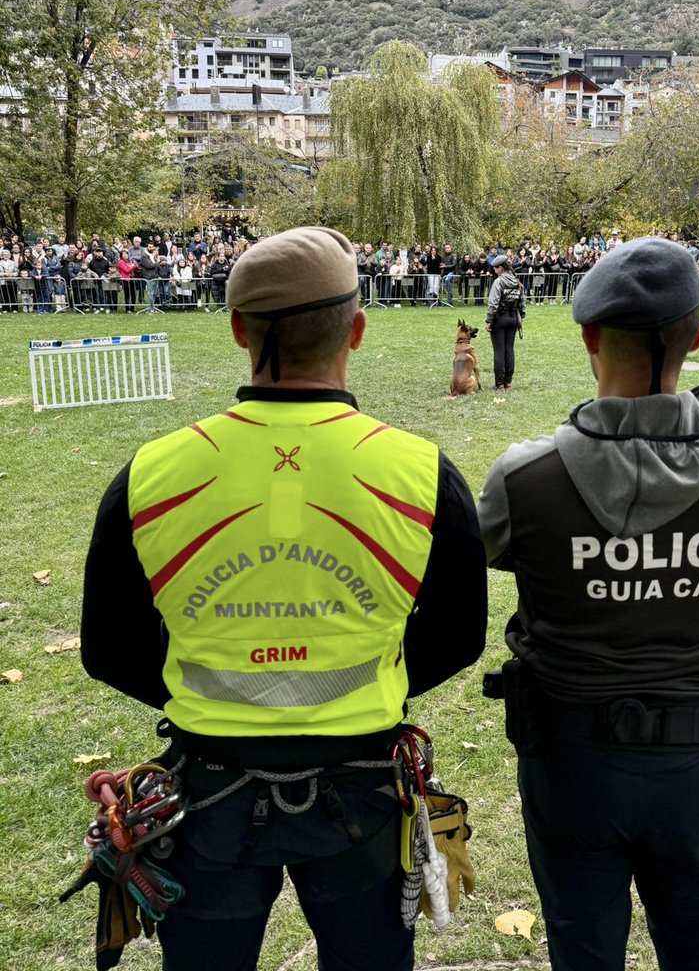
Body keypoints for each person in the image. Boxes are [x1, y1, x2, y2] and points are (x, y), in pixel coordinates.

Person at [80, 225, 487, 971]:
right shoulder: (423, 473)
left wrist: (213, 689)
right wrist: (367, 681)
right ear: (357, 330)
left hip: (203, 802)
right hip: (364, 800)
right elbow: (460, 635)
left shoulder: (148, 474)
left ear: (238, 329)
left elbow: (107, 649)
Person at [477, 237, 699, 971]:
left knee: (583, 950)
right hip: (697, 764)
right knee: (698, 952)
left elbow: (487, 554)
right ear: (697, 336)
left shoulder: (527, 481)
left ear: (586, 339)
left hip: (572, 762)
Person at [485, 253, 524, 392]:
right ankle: (508, 383)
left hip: (499, 319)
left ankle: (499, 384)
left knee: (499, 351)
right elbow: (522, 303)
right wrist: (521, 317)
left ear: (501, 267)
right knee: (509, 350)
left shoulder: (499, 282)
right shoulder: (517, 281)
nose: (494, 271)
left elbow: (493, 303)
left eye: (495, 268)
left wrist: (489, 320)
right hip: (513, 318)